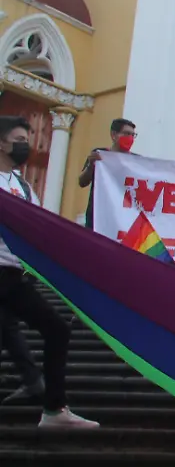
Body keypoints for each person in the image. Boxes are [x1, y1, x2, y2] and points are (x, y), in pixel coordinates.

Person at [0, 115, 97, 428]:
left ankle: (54, 409)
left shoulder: (24, 187)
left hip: (14, 275)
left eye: (26, 140)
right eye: (18, 139)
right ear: (1, 143)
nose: (24, 146)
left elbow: (38, 230)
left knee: (57, 328)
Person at [79, 117, 137, 230]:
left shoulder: (137, 161)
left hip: (125, 219)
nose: (130, 138)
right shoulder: (99, 155)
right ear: (114, 135)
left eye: (133, 135)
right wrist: (91, 165)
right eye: (126, 134)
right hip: (98, 216)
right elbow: (82, 182)